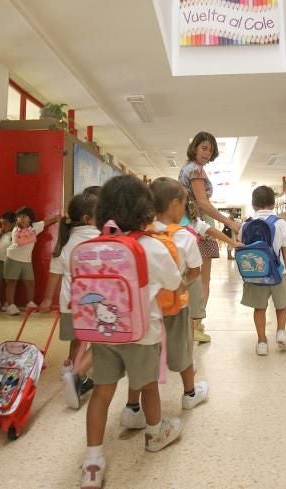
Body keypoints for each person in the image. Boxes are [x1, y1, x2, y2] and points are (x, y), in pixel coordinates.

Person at [80, 175, 184, 489]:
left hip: (103, 333)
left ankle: (92, 462)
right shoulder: (151, 246)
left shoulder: (94, 246)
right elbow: (174, 282)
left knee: (102, 392)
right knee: (148, 385)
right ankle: (155, 434)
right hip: (142, 333)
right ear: (145, 209)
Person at [120, 178, 209, 431]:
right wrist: (181, 284)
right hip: (175, 306)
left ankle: (132, 407)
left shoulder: (138, 234)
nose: (184, 210)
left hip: (144, 309)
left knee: (142, 358)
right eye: (184, 204)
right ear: (174, 204)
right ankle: (190, 394)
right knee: (182, 351)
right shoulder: (184, 236)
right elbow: (195, 271)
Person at [38, 188, 100, 409]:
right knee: (101, 342)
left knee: (78, 339)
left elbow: (55, 273)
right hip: (95, 303)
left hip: (70, 303)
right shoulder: (101, 238)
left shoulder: (65, 242)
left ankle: (71, 367)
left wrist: (47, 300)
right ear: (88, 218)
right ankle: (77, 376)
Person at [178, 131, 241, 343]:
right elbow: (203, 203)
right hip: (199, 227)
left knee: (188, 277)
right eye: (204, 148)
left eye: (210, 150)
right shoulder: (196, 170)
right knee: (202, 280)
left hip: (186, 225)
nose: (207, 153)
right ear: (195, 147)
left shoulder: (187, 168)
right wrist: (229, 222)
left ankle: (190, 324)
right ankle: (195, 325)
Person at [238, 185, 286, 356]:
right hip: (277, 273)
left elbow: (242, 247)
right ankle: (281, 331)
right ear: (273, 203)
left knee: (259, 308)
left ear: (253, 204)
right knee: (281, 305)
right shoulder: (281, 223)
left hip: (256, 274)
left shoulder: (245, 225)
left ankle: (262, 342)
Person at [3, 206, 59, 316]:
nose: (21, 219)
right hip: (13, 258)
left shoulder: (35, 227)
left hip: (27, 261)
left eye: (24, 216)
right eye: (19, 217)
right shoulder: (16, 229)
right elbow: (22, 241)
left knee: (30, 283)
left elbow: (47, 221)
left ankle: (30, 303)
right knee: (11, 283)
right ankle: (10, 306)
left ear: (30, 218)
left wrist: (58, 218)